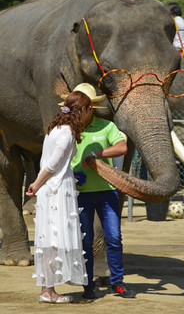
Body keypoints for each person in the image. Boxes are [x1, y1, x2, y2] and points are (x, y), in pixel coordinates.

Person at [68, 83, 136, 299]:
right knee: (85, 240)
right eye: (74, 109)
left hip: (107, 191)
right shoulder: (68, 129)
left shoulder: (106, 126)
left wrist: (97, 153)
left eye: (82, 108)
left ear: (91, 108)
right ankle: (87, 286)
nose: (78, 113)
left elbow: (122, 147)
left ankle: (118, 283)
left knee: (114, 237)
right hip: (80, 193)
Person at [26, 91, 90, 303]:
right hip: (57, 190)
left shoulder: (54, 129)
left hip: (51, 188)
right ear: (80, 110)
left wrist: (38, 183)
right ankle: (48, 291)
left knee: (49, 239)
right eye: (87, 109)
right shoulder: (67, 133)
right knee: (54, 240)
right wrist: (36, 183)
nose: (89, 113)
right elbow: (52, 165)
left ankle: (47, 289)